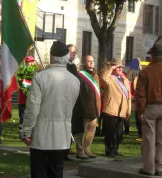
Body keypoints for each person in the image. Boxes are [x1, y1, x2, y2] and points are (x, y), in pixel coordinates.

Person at [20, 40, 80, 178]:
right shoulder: (74, 80)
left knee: (39, 172)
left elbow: (32, 108)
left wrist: (26, 131)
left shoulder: (40, 77)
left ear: (52, 57)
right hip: (61, 134)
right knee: (56, 171)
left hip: (41, 133)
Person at [135, 44, 162, 176]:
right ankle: (159, 167)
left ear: (152, 56)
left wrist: (140, 111)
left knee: (149, 139)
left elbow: (140, 93)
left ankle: (149, 168)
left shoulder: (145, 72)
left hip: (150, 107)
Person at [101, 58, 131, 157]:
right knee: (110, 132)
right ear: (113, 68)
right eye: (118, 67)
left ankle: (115, 149)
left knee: (119, 132)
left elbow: (128, 96)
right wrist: (111, 68)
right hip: (111, 109)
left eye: (121, 67)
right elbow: (104, 78)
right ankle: (109, 150)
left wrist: (128, 109)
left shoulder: (125, 80)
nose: (120, 69)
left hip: (122, 110)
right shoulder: (109, 78)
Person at [76, 55, 100, 159]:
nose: (91, 63)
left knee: (91, 131)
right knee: (82, 131)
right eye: (89, 61)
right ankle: (80, 150)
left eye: (92, 61)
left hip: (94, 108)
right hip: (84, 108)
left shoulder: (95, 75)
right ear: (84, 63)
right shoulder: (80, 75)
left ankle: (87, 149)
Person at [17, 56, 36, 133]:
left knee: (31, 116)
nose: (31, 63)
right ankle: (22, 132)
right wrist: (32, 84)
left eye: (32, 61)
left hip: (31, 98)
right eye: (29, 62)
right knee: (22, 116)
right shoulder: (22, 71)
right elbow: (22, 83)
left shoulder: (34, 72)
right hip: (23, 98)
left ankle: (29, 131)